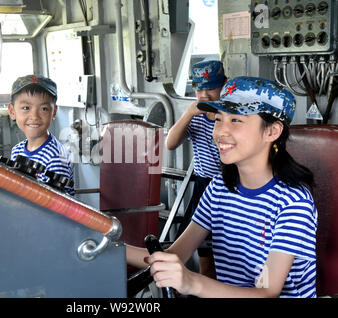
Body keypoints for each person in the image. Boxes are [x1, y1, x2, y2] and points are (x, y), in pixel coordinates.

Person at [127, 76, 317, 297]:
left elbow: (267, 292)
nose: (220, 132)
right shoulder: (218, 189)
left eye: (236, 120)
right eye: (218, 119)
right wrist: (106, 246)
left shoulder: (293, 202)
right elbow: (175, 254)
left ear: (272, 132)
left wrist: (191, 282)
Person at [166, 60, 227, 279]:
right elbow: (170, 144)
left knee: (228, 254)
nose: (205, 94)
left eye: (211, 88)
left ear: (224, 85)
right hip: (204, 189)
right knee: (205, 256)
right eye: (199, 89)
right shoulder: (196, 118)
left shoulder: (230, 116)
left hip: (231, 188)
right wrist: (189, 113)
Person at [8, 74, 74, 195]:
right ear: (12, 111)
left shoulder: (55, 158)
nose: (34, 116)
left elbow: (59, 205)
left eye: (44, 109)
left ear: (54, 112)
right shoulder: (17, 150)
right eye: (26, 107)